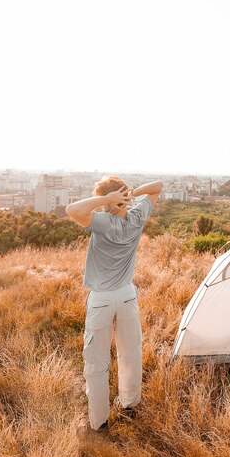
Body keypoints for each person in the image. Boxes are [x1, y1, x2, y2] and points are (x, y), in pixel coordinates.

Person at [66, 175, 163, 432]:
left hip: (101, 299)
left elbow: (72, 210)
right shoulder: (137, 216)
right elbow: (158, 187)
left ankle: (99, 422)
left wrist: (106, 200)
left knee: (97, 362)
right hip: (127, 295)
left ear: (108, 203)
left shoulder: (101, 222)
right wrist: (132, 193)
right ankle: (130, 405)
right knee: (130, 352)